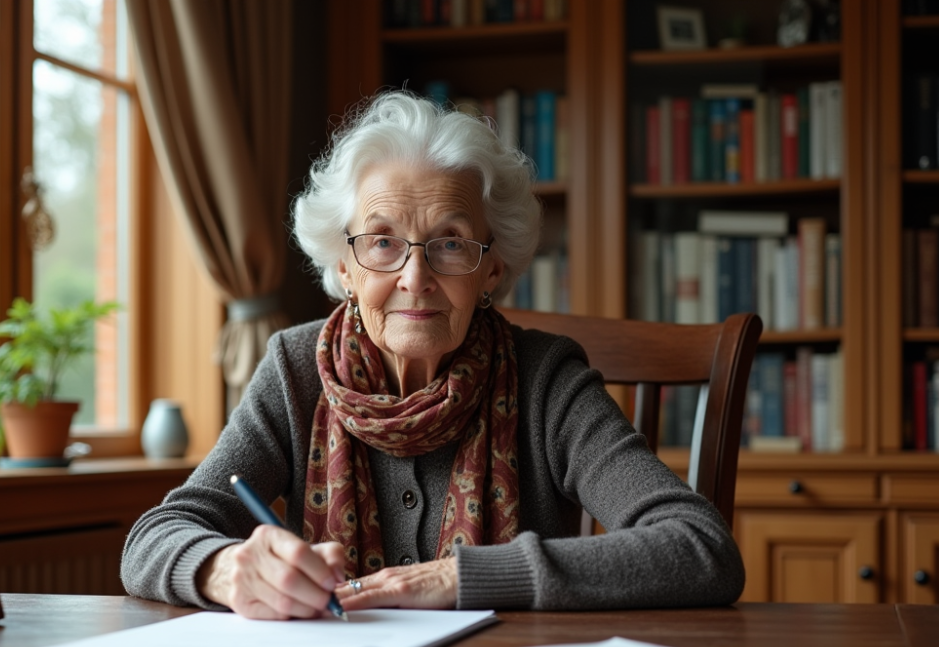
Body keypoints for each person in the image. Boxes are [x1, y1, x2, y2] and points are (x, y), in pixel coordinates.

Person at [121, 92, 744, 619]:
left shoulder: (546, 378)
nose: (415, 277)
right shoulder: (293, 367)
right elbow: (151, 540)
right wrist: (228, 570)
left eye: (449, 243)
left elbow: (699, 547)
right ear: (343, 265)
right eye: (383, 242)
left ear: (492, 267)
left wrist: (456, 579)